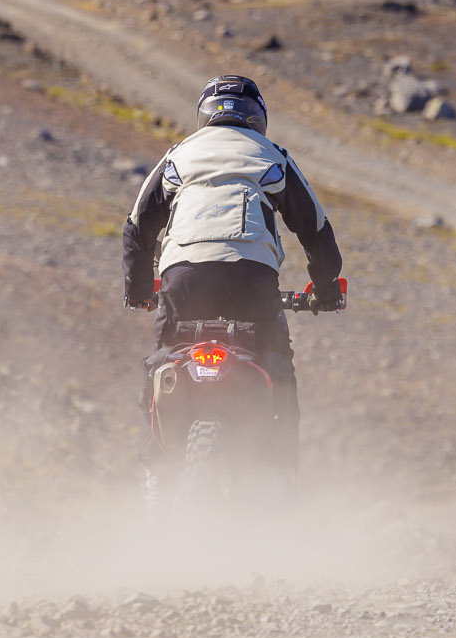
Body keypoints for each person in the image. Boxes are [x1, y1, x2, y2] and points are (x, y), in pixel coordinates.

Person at [123, 74, 343, 495]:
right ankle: (279, 479)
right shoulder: (271, 155)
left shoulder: (178, 155)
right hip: (251, 279)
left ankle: (154, 480)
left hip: (182, 278)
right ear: (258, 118)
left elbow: (137, 229)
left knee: (163, 361)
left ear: (204, 116)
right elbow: (316, 230)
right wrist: (326, 289)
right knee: (277, 365)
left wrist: (138, 291)